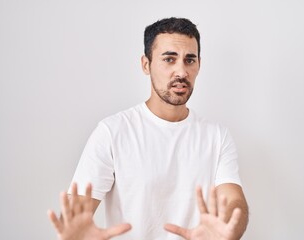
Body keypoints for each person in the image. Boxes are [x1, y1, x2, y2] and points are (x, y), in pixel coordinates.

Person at [48, 17, 249, 240]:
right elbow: (77, 216)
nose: (181, 72)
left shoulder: (217, 137)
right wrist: (75, 234)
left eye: (189, 60)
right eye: (169, 59)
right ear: (146, 64)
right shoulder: (112, 132)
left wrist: (229, 228)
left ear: (199, 65)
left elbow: (234, 202)